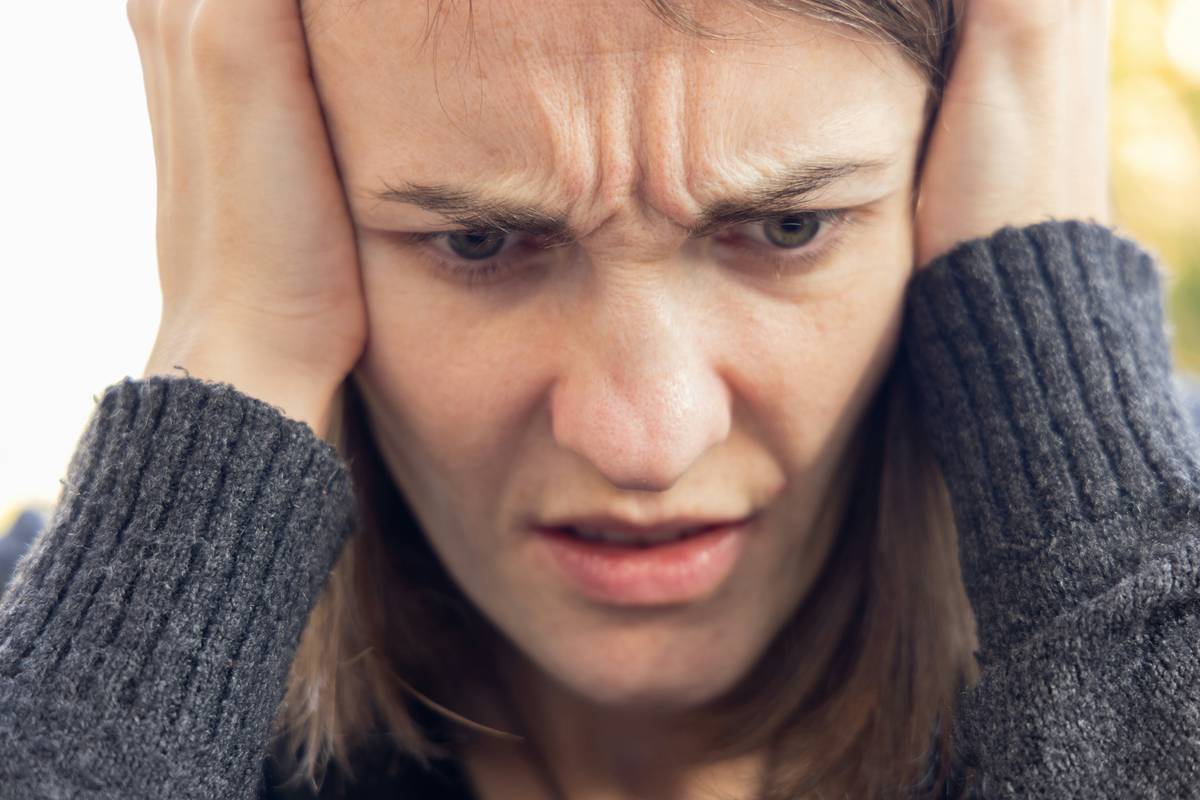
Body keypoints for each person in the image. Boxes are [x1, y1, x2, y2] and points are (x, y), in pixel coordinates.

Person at [1, 0, 1196, 797]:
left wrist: (1079, 463)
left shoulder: (1147, 594)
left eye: (789, 226)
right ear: (271, 202)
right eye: (476, 239)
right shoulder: (68, 678)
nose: (646, 436)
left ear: (964, 170)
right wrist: (235, 356)